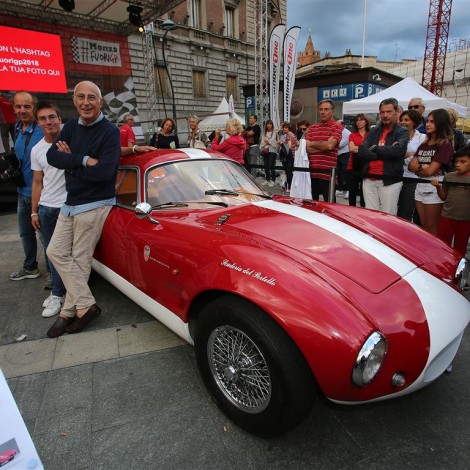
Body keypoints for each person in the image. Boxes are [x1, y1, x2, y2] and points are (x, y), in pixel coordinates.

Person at [45, 81, 120, 338]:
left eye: (91, 97)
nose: (86, 102)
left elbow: (104, 173)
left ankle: (67, 312)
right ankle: (86, 305)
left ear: (100, 102)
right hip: (71, 202)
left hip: (96, 203)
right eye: (80, 97)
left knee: (79, 259)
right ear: (75, 101)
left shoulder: (110, 131)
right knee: (54, 251)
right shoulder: (70, 127)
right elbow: (52, 157)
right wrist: (83, 159)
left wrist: (70, 162)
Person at [30, 101, 67, 318]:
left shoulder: (72, 141)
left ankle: (58, 293)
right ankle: (59, 293)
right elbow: (37, 182)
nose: (48, 122)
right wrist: (34, 211)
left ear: (59, 118)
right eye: (43, 118)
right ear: (38, 123)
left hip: (68, 207)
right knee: (52, 254)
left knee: (61, 254)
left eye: (52, 117)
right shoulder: (37, 149)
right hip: (46, 208)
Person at [9, 91, 44, 281]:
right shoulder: (18, 129)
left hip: (41, 194)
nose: (22, 110)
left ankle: (54, 278)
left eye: (27, 106)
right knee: (25, 233)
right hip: (22, 192)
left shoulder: (43, 129)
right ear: (14, 108)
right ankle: (30, 267)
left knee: (46, 238)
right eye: (18, 106)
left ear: (34, 108)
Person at [357, 97, 408, 215]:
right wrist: (386, 152)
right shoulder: (374, 131)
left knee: (388, 216)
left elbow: (398, 151)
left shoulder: (402, 131)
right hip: (369, 178)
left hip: (390, 180)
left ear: (397, 112)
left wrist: (374, 148)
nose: (385, 115)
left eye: (389, 112)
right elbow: (361, 151)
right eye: (382, 112)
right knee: (371, 216)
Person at [408, 108, 454, 235]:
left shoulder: (445, 144)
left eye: (432, 122)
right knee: (424, 226)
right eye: (427, 121)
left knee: (433, 227)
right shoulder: (424, 144)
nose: (428, 124)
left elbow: (430, 171)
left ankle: (434, 254)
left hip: (435, 186)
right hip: (420, 184)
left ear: (441, 123)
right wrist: (423, 167)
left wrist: (419, 168)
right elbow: (411, 166)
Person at [431, 147, 470, 260]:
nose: (458, 164)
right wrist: (438, 187)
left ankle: (457, 269)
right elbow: (443, 197)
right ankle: (442, 264)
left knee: (461, 247)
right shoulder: (449, 177)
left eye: (463, 162)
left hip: (466, 219)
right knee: (443, 244)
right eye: (456, 161)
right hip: (447, 216)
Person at [305, 99, 342, 202]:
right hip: (311, 173)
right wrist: (324, 145)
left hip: (328, 175)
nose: (322, 112)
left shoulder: (337, 127)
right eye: (320, 109)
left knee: (330, 206)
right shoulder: (312, 128)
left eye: (326, 109)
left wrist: (313, 144)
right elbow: (306, 148)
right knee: (311, 205)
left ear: (333, 111)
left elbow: (330, 146)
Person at [397, 109, 427, 221]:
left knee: (406, 211)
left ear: (414, 122)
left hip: (412, 178)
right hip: (396, 176)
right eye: (402, 120)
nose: (403, 122)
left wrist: (405, 155)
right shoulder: (396, 135)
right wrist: (411, 155)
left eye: (406, 120)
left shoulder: (422, 138)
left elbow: (423, 157)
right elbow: (392, 153)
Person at [346, 114, 370, 207]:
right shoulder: (352, 135)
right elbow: (351, 148)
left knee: (365, 193)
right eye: (357, 120)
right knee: (352, 192)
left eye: (361, 120)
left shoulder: (370, 134)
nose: (359, 122)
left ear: (365, 121)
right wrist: (366, 149)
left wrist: (359, 149)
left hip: (366, 166)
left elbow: (374, 149)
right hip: (353, 165)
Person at [278, 121, 299, 193]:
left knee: (289, 172)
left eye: (285, 128)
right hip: (290, 156)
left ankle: (290, 187)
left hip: (289, 156)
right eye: (283, 127)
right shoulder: (289, 135)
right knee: (288, 172)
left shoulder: (289, 135)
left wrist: (282, 144)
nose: (283, 129)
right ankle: (289, 187)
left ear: (288, 128)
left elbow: (288, 147)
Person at [335, 120, 351, 199]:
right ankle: (339, 189)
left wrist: (332, 144)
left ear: (342, 125)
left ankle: (348, 190)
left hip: (345, 154)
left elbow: (340, 144)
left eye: (337, 125)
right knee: (339, 173)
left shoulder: (347, 133)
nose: (336, 126)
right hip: (338, 155)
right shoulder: (336, 131)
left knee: (346, 173)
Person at [260, 119, 279, 186]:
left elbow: (276, 142)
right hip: (265, 150)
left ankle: (273, 180)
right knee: (266, 165)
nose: (269, 125)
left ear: (272, 125)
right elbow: (262, 142)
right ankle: (267, 179)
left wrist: (268, 142)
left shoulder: (275, 133)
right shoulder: (264, 133)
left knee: (271, 165)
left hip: (272, 151)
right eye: (268, 124)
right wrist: (266, 143)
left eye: (270, 124)